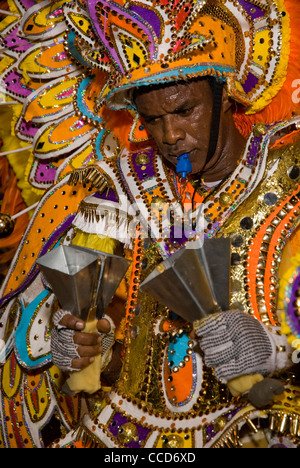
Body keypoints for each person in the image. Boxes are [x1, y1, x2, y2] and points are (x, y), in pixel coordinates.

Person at [1, 0, 300, 449]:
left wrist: (276, 347)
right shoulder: (122, 185)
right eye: (153, 119)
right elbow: (71, 311)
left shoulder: (290, 174)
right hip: (128, 437)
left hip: (264, 427)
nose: (170, 135)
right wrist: (80, 346)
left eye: (185, 111)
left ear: (225, 96)